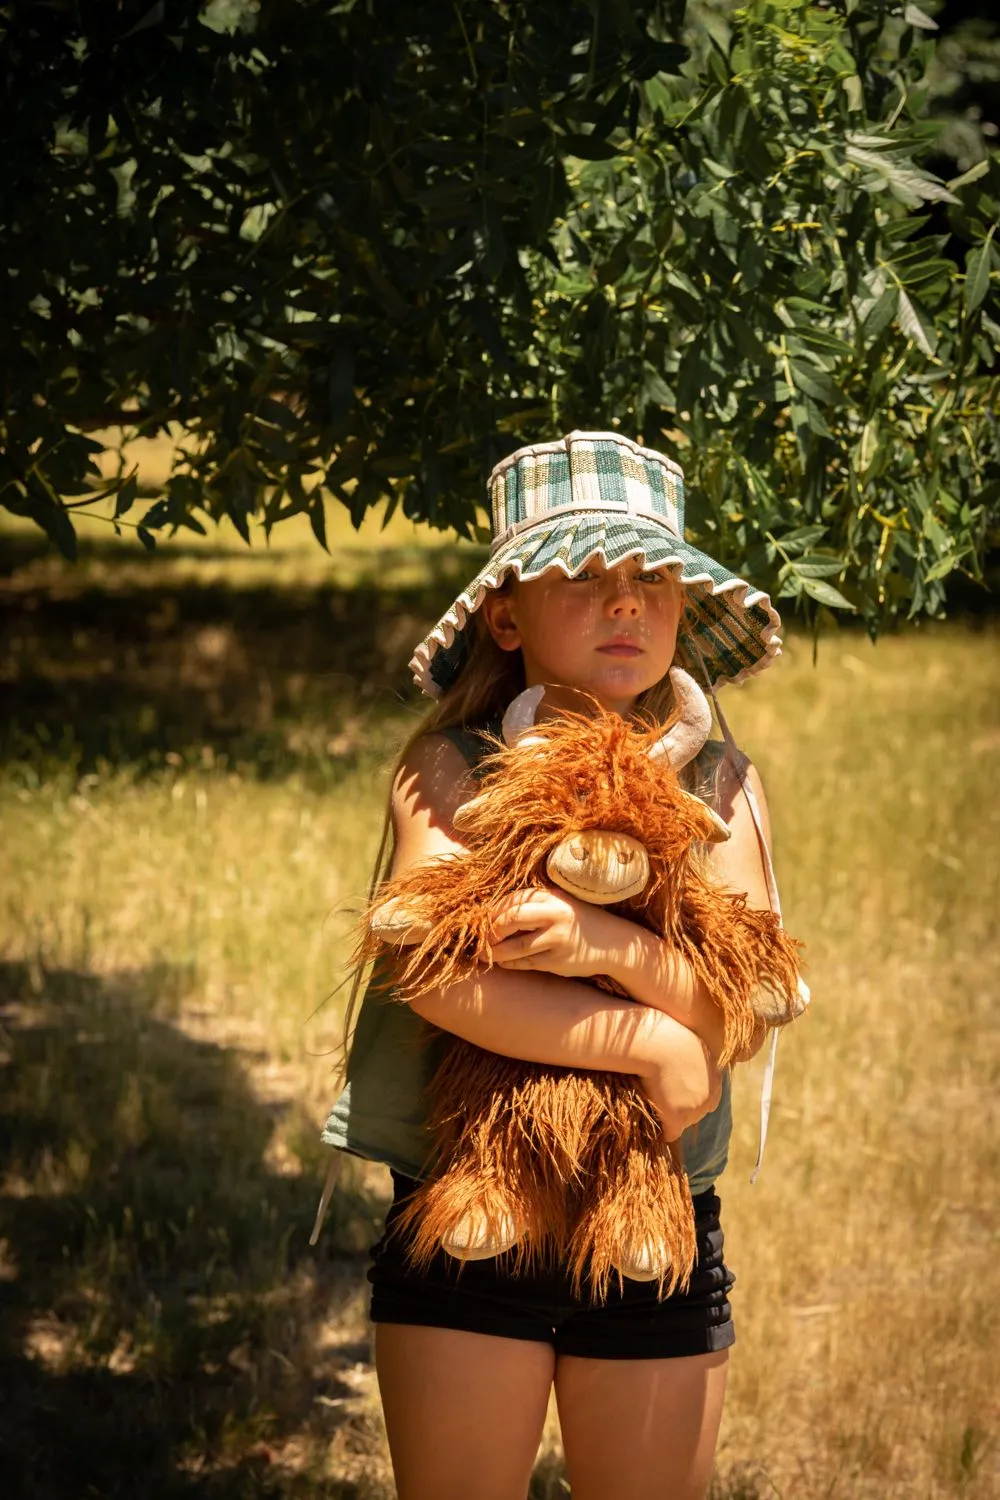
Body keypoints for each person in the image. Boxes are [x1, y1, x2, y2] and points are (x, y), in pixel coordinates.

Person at [317, 431, 802, 1500]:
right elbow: (433, 972)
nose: (625, 606)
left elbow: (736, 1011)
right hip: (465, 1213)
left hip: (656, 1217)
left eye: (651, 580)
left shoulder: (718, 778)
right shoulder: (453, 768)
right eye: (584, 578)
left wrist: (603, 947)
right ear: (506, 611)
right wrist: (646, 1036)